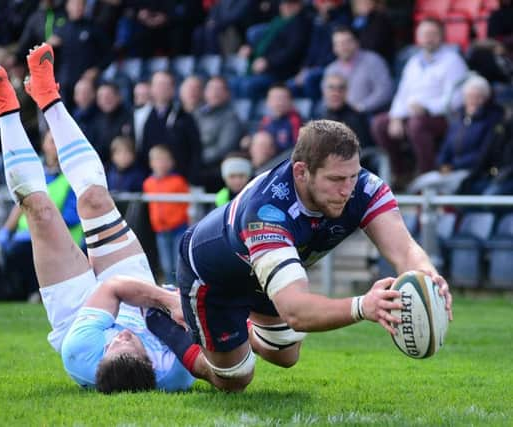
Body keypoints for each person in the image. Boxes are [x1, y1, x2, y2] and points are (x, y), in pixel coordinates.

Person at [158, 119, 453, 392]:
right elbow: (296, 312)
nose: (347, 190)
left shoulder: (364, 187)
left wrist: (429, 276)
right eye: (336, 179)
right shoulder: (267, 211)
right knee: (235, 379)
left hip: (262, 276)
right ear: (301, 171)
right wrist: (364, 306)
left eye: (353, 176)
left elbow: (403, 249)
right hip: (214, 278)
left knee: (286, 355)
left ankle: (240, 324)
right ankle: (161, 311)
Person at [0, 43, 202, 393]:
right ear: (149, 362)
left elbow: (113, 289)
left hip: (77, 316)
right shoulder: (175, 371)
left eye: (111, 346)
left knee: (38, 210)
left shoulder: (81, 352)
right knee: (96, 199)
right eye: (128, 343)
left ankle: (6, 108)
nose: (118, 337)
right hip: (136, 303)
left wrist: (166, 298)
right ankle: (48, 97)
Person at [371, 18, 468, 189]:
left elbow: (456, 98)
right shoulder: (413, 62)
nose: (428, 38)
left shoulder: (453, 61)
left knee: (416, 125)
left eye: (433, 34)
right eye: (424, 34)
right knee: (380, 123)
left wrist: (427, 108)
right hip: (411, 114)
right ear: (418, 37)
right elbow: (402, 93)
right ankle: (400, 174)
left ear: (441, 36)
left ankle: (426, 177)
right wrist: (396, 117)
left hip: (442, 117)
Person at [0, 130, 83, 301]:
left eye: (59, 140)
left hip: (60, 238)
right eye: (52, 141)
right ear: (44, 145)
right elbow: (20, 205)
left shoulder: (71, 176)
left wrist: (39, 230)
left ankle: (35, 292)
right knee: (10, 252)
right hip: (27, 236)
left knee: (22, 252)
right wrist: (6, 230)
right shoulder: (36, 173)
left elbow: (71, 217)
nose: (56, 145)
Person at [142, 144, 190, 283]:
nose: (161, 164)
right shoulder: (148, 183)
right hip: (160, 230)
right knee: (166, 265)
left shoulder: (178, 181)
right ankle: (170, 290)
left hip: (178, 229)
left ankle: (181, 289)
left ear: (171, 162)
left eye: (164, 160)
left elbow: (187, 204)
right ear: (151, 163)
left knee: (178, 263)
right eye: (157, 160)